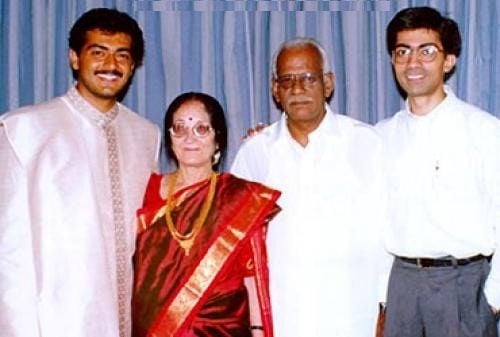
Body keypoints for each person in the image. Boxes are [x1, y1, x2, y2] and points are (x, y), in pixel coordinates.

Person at [0, 8, 160, 337]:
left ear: (132, 66)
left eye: (122, 55)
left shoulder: (146, 135)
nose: (110, 65)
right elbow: (8, 253)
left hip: (129, 322)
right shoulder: (24, 129)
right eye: (98, 52)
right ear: (75, 58)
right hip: (56, 320)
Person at [231, 37, 390, 337]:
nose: (297, 89)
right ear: (274, 89)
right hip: (282, 317)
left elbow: (387, 231)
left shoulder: (367, 144)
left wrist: (385, 307)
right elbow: (238, 248)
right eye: (287, 80)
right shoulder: (255, 154)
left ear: (327, 83)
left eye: (308, 78)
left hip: (353, 315)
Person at [376, 7, 500, 337]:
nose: (413, 63)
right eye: (402, 52)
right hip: (401, 286)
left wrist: (492, 301)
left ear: (449, 61)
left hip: (463, 286)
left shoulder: (485, 131)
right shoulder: (379, 137)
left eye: (427, 51)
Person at [132, 92, 281, 337]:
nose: (190, 138)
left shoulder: (237, 197)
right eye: (179, 129)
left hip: (223, 330)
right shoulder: (145, 189)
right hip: (156, 329)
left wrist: (258, 331)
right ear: (170, 138)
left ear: (217, 139)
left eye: (202, 129)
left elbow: (251, 277)